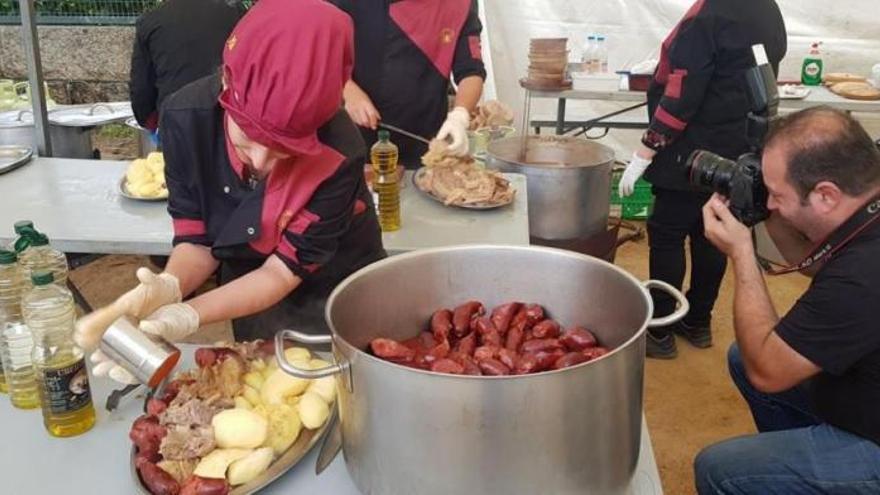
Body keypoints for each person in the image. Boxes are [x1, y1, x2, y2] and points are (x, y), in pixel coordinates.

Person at [78, 0, 385, 384]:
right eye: (246, 140)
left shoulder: (340, 151)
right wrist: (169, 289)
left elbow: (281, 272)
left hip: (338, 284)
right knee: (262, 381)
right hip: (247, 284)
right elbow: (199, 240)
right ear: (226, 81)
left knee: (349, 388)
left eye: (285, 152)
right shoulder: (184, 118)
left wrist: (191, 314)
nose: (259, 162)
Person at [694, 107, 880, 493]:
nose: (772, 205)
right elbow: (818, 260)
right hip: (864, 387)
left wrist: (742, 252)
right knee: (739, 358)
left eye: (776, 194)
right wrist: (760, 210)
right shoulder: (864, 204)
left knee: (720, 469)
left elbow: (769, 370)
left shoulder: (862, 276)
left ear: (826, 194)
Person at [617, 0, 787, 359]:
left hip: (690, 148)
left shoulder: (709, 16)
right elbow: (771, 61)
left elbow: (682, 92)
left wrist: (647, 149)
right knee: (713, 233)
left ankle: (661, 328)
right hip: (738, 145)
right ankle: (698, 322)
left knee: (667, 233)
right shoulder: (766, 8)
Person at [328, 0, 487, 167]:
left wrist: (460, 115)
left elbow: (471, 70)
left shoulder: (459, 4)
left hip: (424, 139)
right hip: (352, 136)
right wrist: (348, 90)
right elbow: (320, 53)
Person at [129, 0, 244, 132]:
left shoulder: (151, 22)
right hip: (226, 116)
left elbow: (141, 87)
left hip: (176, 119)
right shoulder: (235, 14)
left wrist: (150, 122)